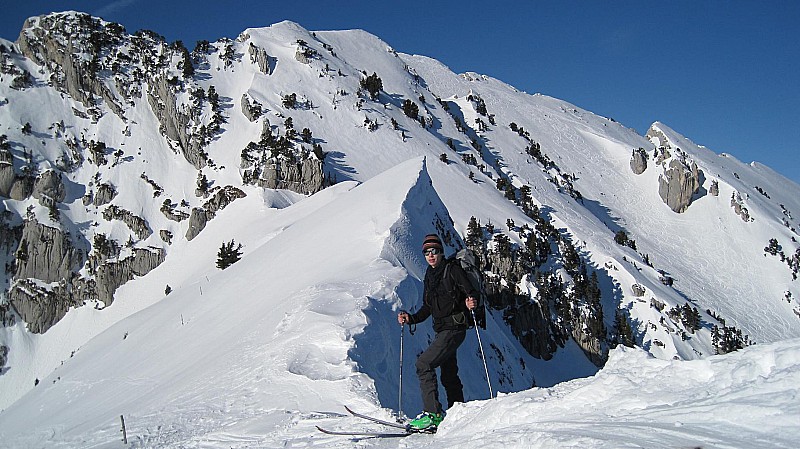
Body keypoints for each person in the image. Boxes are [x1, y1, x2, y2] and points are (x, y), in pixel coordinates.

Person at [398, 234, 479, 431]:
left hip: (454, 328)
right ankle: (457, 413)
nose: (431, 255)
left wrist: (471, 301)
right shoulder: (430, 275)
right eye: (427, 252)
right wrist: (412, 319)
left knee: (423, 364)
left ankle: (432, 415)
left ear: (441, 252)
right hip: (443, 330)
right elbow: (428, 307)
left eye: (434, 251)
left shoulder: (452, 270)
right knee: (449, 374)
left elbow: (471, 292)